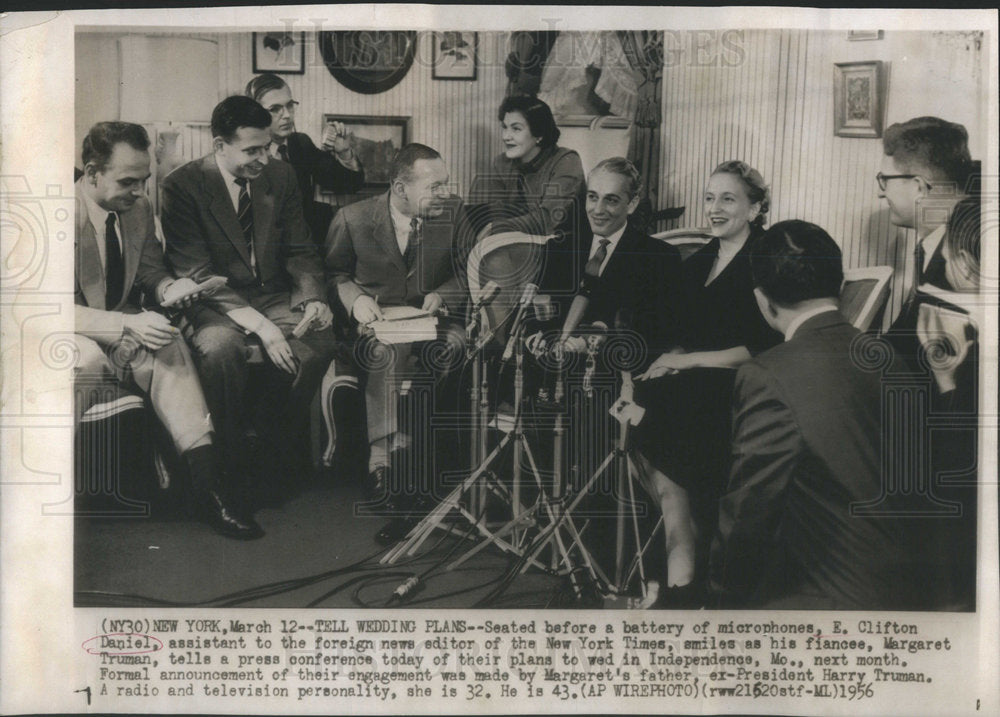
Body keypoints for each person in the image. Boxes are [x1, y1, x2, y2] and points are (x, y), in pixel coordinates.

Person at [710, 220, 931, 609]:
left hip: (828, 604)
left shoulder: (767, 374)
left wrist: (718, 604)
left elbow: (748, 516)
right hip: (912, 593)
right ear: (842, 285)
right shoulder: (891, 358)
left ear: (762, 299)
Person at [74, 121, 261, 539]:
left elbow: (151, 273)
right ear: (91, 173)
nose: (140, 192)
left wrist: (172, 288)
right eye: (128, 181)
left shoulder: (136, 210)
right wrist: (126, 322)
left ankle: (208, 488)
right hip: (61, 334)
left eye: (145, 180)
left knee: (168, 339)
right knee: (85, 356)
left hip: (118, 327)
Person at [161, 96, 339, 508]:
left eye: (267, 148)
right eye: (252, 150)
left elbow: (300, 249)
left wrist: (312, 297)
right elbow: (196, 273)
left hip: (273, 291)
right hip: (211, 300)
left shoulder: (283, 175)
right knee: (221, 350)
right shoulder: (181, 185)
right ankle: (226, 457)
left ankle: (270, 443)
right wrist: (264, 328)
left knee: (318, 344)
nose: (263, 159)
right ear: (219, 145)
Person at [631, 160, 782, 606]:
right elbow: (678, 330)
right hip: (694, 385)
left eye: (728, 199)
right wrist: (671, 358)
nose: (714, 208)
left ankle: (679, 566)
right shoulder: (700, 261)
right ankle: (681, 563)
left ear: (755, 208)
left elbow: (761, 346)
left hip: (741, 387)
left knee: (669, 414)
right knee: (640, 399)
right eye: (709, 197)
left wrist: (690, 360)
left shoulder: (766, 259)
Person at [325, 143, 468, 545]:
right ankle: (381, 463)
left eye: (445, 184)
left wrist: (444, 296)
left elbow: (464, 274)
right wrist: (358, 301)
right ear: (400, 188)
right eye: (434, 186)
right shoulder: (352, 219)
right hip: (379, 325)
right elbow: (335, 274)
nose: (444, 193)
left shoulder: (454, 215)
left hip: (434, 323)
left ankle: (427, 458)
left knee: (457, 348)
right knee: (385, 351)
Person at [477, 96, 590, 323]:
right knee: (485, 260)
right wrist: (496, 226)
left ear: (539, 134)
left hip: (563, 252)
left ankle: (506, 342)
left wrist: (497, 226)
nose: (506, 136)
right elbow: (494, 214)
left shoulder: (567, 161)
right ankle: (496, 346)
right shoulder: (501, 163)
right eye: (505, 128)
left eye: (516, 129)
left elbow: (548, 220)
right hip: (517, 247)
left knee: (495, 264)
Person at [245, 73, 365, 247]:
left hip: (303, 247)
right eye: (275, 109)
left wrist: (344, 151)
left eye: (289, 106)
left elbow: (350, 184)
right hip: (262, 248)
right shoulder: (246, 152)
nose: (286, 115)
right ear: (254, 114)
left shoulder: (300, 143)